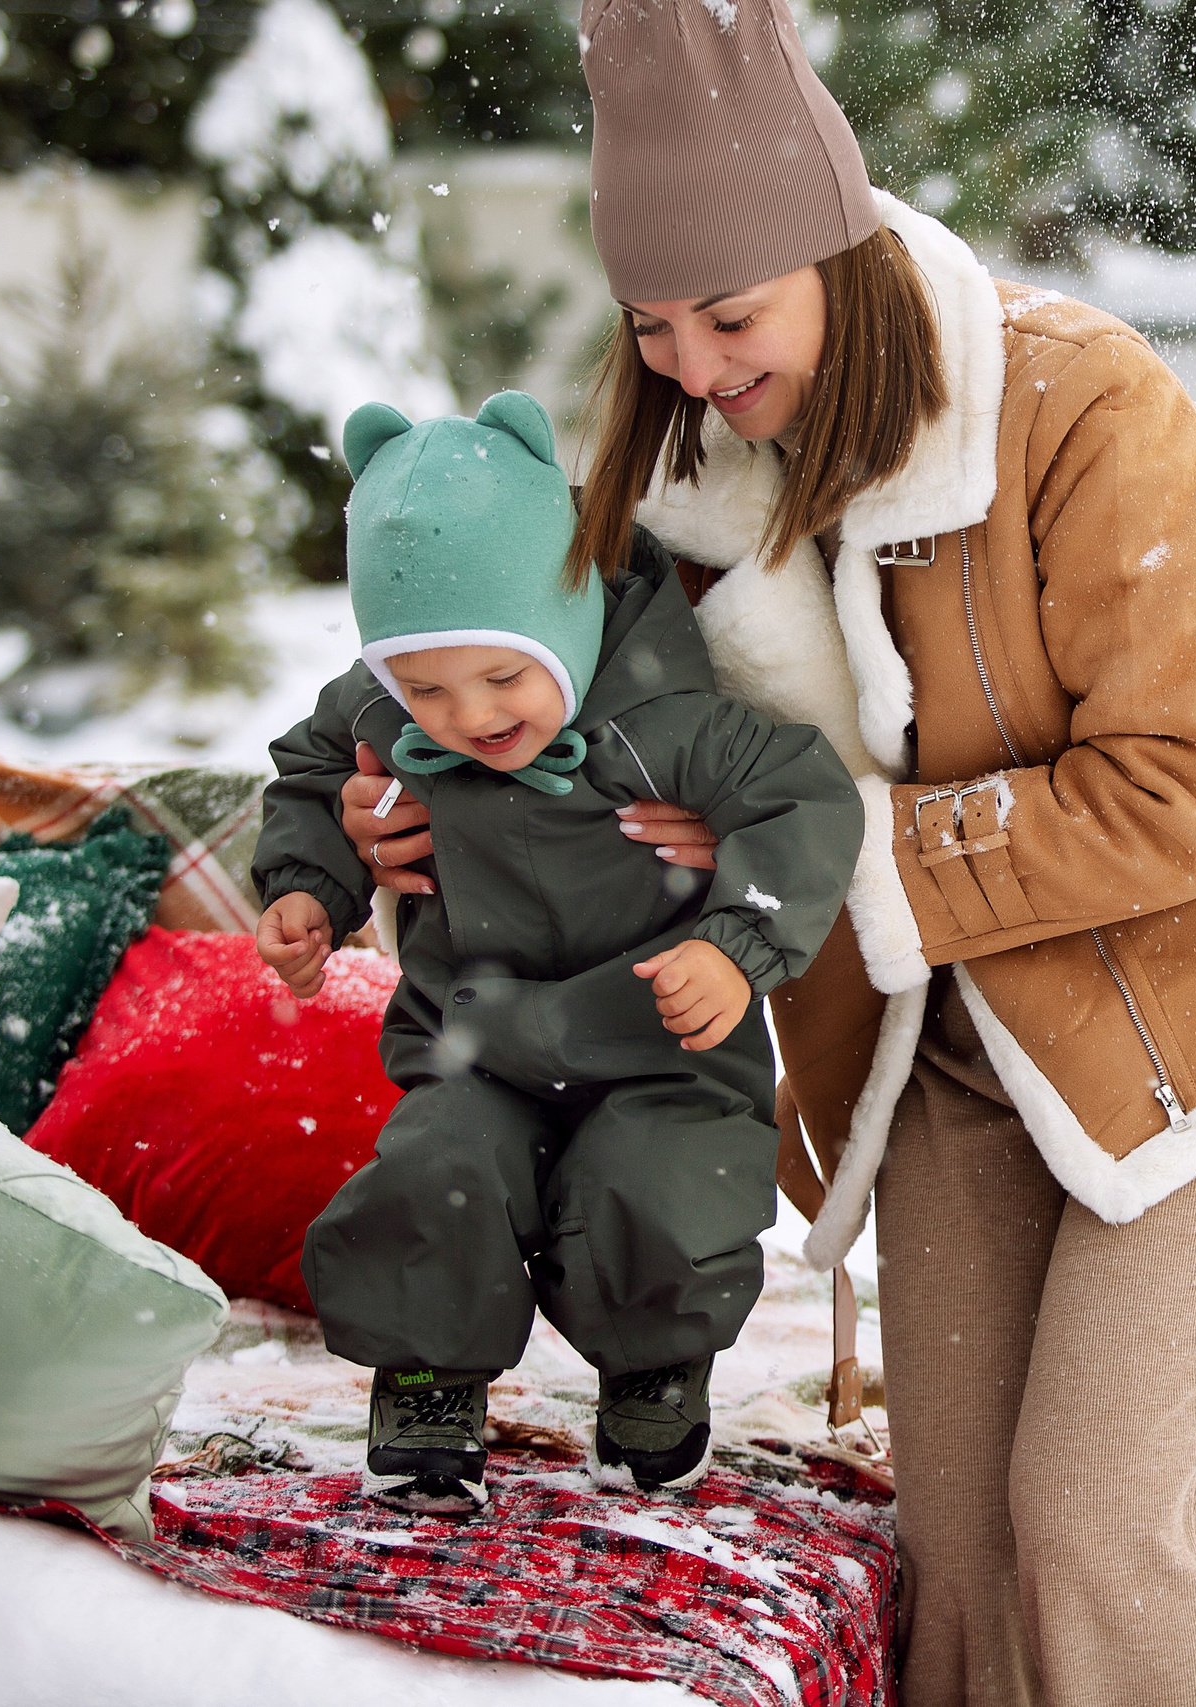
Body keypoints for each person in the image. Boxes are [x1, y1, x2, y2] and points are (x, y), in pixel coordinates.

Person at [336, 2, 1196, 1698]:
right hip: (953, 1045)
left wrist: (846, 844)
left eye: (728, 314)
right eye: (651, 326)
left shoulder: (1085, 415)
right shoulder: (694, 476)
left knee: (1093, 1536)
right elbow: (542, 703)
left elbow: (1184, 789)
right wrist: (397, 799)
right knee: (964, 1573)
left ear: (836, 253)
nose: (692, 368)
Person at [250, 388, 864, 1515]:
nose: (468, 715)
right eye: (422, 686)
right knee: (439, 1172)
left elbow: (806, 803)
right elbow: (308, 769)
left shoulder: (666, 717)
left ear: (569, 609)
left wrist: (736, 947)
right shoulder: (391, 712)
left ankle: (652, 1369)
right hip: (474, 1038)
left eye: (501, 674)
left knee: (661, 1190)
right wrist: (308, 883)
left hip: (659, 1039)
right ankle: (429, 1379)